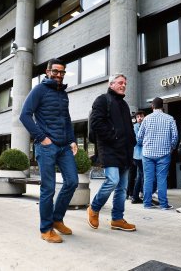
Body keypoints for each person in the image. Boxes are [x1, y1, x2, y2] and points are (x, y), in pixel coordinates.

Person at [20, 58, 78, 243]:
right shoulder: (39, 90)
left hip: (64, 146)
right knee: (48, 189)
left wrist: (72, 140)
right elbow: (25, 115)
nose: (59, 75)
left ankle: (57, 219)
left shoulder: (63, 93)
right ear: (47, 71)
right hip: (47, 147)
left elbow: (66, 119)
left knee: (72, 182)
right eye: (55, 71)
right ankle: (46, 229)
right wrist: (42, 138)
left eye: (62, 72)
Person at [87, 73, 136, 231]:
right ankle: (94, 208)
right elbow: (96, 123)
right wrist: (113, 137)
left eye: (125, 83)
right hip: (110, 149)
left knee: (122, 188)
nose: (123, 85)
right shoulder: (102, 100)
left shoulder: (124, 104)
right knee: (112, 181)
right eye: (120, 83)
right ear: (111, 84)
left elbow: (128, 127)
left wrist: (132, 141)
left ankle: (117, 219)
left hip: (126, 151)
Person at [137, 97, 178, 210]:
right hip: (164, 153)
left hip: (147, 153)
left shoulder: (146, 119)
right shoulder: (170, 119)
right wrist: (171, 148)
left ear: (152, 106)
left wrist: (143, 144)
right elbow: (175, 137)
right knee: (162, 179)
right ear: (163, 106)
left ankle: (147, 204)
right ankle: (164, 205)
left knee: (148, 178)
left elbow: (139, 137)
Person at [131, 111, 145, 204]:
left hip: (143, 155)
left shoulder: (145, 125)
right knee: (141, 175)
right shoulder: (135, 127)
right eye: (138, 117)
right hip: (138, 155)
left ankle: (137, 195)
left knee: (140, 175)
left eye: (141, 116)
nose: (140, 118)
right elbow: (138, 141)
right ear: (136, 118)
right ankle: (136, 196)